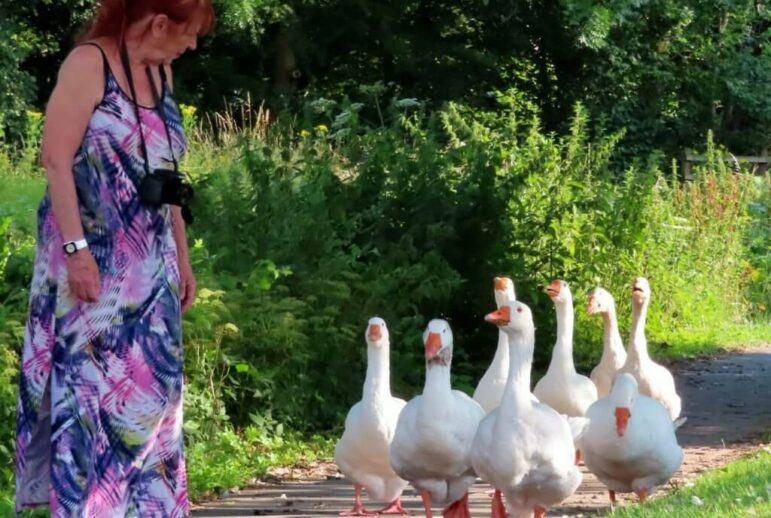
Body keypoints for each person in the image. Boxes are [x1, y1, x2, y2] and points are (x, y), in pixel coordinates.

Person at [14, 1, 214, 516]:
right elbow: (55, 161)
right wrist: (76, 252)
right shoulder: (89, 64)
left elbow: (167, 178)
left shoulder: (161, 71)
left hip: (151, 273)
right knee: (92, 409)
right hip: (92, 274)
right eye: (189, 34)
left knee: (154, 413)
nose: (192, 46)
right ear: (160, 23)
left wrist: (182, 260)